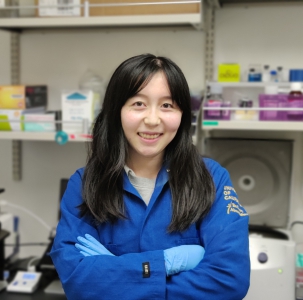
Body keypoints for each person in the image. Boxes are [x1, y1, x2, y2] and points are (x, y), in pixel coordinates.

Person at [50, 53, 250, 299]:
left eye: (167, 105)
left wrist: (117, 271)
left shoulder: (212, 179)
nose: (153, 120)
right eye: (138, 104)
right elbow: (77, 281)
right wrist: (165, 263)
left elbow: (229, 280)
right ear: (117, 112)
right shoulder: (85, 184)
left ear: (183, 115)